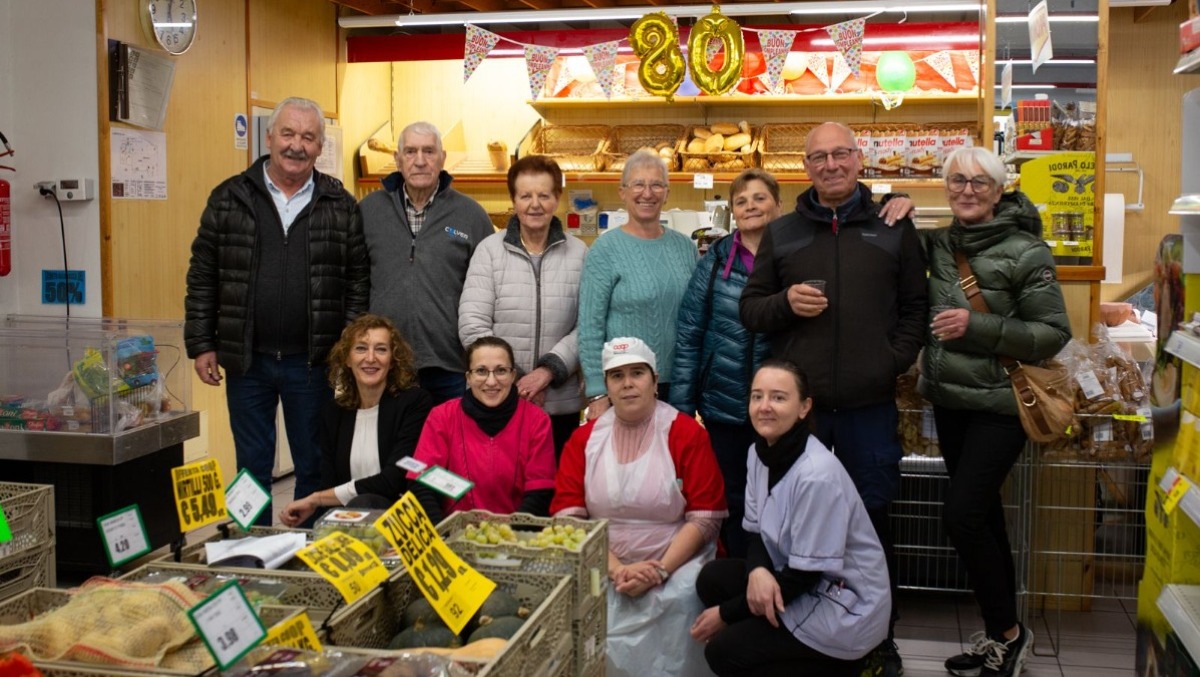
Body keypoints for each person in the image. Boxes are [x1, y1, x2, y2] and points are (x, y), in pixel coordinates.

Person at [739, 121, 926, 675]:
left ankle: (877, 640)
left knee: (871, 526)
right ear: (806, 165)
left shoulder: (893, 227)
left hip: (869, 410)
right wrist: (784, 304)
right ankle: (799, 634)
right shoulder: (785, 231)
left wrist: (892, 359)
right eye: (819, 157)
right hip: (804, 419)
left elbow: (917, 307)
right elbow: (751, 309)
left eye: (841, 153)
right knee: (794, 531)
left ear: (858, 157)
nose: (831, 164)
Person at [920, 147, 1071, 677]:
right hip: (954, 402)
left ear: (999, 189)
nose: (967, 190)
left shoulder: (1027, 251)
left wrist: (975, 326)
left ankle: (1010, 632)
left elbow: (1054, 333)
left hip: (1002, 407)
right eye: (957, 180)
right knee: (983, 519)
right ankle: (1002, 633)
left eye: (980, 182)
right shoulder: (939, 244)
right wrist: (889, 205)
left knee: (961, 517)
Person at [184, 96, 369, 525]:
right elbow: (203, 276)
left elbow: (357, 282)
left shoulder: (340, 206)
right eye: (288, 133)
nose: (296, 145)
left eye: (308, 137)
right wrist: (200, 343)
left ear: (320, 147)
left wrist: (347, 348)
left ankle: (303, 553)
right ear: (269, 137)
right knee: (250, 464)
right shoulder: (229, 198)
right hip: (247, 360)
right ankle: (250, 550)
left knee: (312, 463)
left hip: (314, 362)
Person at [691, 360, 891, 677]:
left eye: (778, 397)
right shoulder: (759, 453)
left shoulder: (816, 475)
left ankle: (847, 665)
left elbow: (805, 576)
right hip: (796, 577)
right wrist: (757, 570)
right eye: (757, 396)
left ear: (804, 407)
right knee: (712, 578)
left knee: (724, 651)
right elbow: (755, 530)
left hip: (843, 606)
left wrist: (727, 614)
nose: (764, 407)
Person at [552, 337, 727, 677]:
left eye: (637, 373)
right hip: (601, 558)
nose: (628, 384)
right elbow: (569, 519)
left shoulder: (686, 433)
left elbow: (705, 518)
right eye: (617, 376)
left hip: (677, 559)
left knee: (687, 596)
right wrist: (616, 570)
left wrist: (660, 570)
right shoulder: (584, 439)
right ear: (606, 385)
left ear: (655, 380)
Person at [669, 168, 779, 558]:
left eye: (759, 198)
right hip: (724, 405)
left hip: (779, 408)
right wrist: (683, 410)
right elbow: (689, 335)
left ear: (777, 205)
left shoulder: (792, 258)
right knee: (731, 497)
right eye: (741, 201)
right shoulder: (714, 262)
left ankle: (774, 580)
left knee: (778, 497)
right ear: (732, 211)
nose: (750, 207)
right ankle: (736, 579)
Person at [459, 155, 588, 458]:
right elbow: (472, 323)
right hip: (496, 399)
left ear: (558, 198)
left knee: (555, 494)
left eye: (544, 195)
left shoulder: (580, 254)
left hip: (558, 404)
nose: (535, 204)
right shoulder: (489, 251)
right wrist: (513, 378)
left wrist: (546, 373)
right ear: (513, 199)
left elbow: (588, 325)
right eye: (525, 195)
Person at [359, 121, 496, 404]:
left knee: (451, 447)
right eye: (410, 152)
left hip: (450, 366)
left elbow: (489, 291)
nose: (420, 161)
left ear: (443, 158)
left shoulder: (470, 215)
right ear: (397, 160)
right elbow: (355, 283)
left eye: (429, 151)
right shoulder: (368, 212)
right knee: (392, 448)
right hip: (385, 364)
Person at [277, 314, 432, 526]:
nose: (370, 358)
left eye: (381, 349)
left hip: (400, 517)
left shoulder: (414, 403)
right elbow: (329, 481)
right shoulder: (334, 411)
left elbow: (392, 480)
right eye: (361, 348)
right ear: (348, 359)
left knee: (363, 502)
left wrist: (314, 500)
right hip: (351, 519)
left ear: (393, 360)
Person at [578, 150, 698, 421]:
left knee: (673, 461)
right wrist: (597, 392)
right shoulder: (605, 249)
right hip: (625, 385)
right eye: (638, 184)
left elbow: (696, 318)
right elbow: (589, 326)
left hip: (677, 385)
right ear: (623, 192)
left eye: (656, 185)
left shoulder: (685, 248)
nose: (648, 193)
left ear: (667, 193)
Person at [407, 336, 557, 523]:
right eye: (481, 371)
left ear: (513, 375)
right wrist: (443, 535)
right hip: (454, 534)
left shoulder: (537, 420)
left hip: (517, 539)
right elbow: (422, 482)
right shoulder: (442, 416)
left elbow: (540, 492)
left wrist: (508, 537)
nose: (491, 381)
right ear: (468, 377)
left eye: (501, 371)